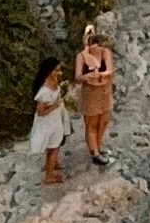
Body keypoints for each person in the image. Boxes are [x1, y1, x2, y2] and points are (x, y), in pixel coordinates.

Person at [74, 23, 116, 167]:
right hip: (90, 93)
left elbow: (110, 70)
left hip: (104, 91)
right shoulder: (81, 57)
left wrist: (101, 75)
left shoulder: (105, 53)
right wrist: (86, 77)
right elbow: (77, 77)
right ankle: (95, 153)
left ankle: (98, 146)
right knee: (91, 123)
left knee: (103, 121)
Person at [30, 63, 71, 188]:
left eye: (60, 70)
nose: (59, 72)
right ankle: (49, 176)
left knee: (54, 144)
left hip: (55, 118)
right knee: (53, 147)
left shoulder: (53, 82)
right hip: (49, 121)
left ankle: (53, 165)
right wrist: (54, 106)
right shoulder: (45, 90)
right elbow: (40, 111)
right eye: (56, 70)